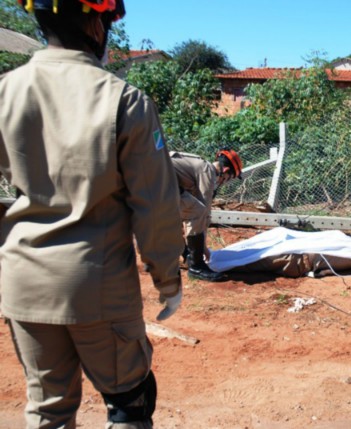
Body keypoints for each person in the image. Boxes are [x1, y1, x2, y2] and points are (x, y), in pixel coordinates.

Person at [0, 1, 185, 428]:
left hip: (23, 284)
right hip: (97, 287)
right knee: (129, 404)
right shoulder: (125, 101)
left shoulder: (6, 91)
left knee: (48, 410)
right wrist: (167, 278)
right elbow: (155, 208)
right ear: (95, 21)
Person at [170, 149, 242, 282]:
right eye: (228, 178)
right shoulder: (208, 172)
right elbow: (204, 213)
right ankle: (197, 267)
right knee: (197, 211)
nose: (224, 182)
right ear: (225, 171)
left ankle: (183, 255)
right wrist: (203, 249)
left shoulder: (197, 164)